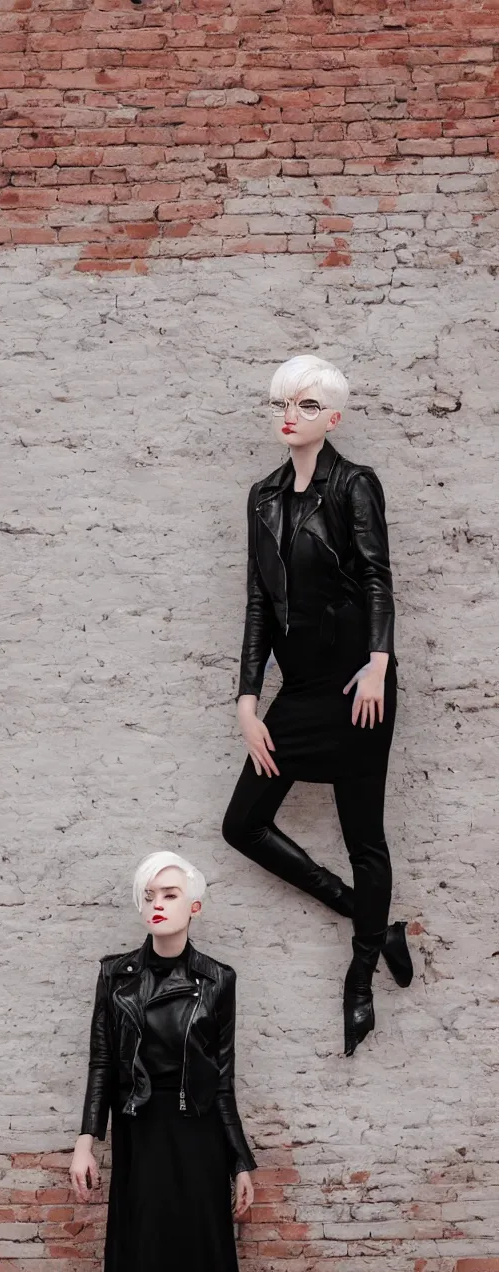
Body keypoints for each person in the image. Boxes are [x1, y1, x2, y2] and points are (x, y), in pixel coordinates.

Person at [222, 354, 413, 1058]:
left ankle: (360, 976)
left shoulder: (354, 485)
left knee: (366, 837)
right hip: (299, 693)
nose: (288, 414)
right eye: (282, 402)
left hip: (358, 685)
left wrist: (378, 664)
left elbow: (376, 578)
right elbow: (255, 604)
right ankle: (370, 919)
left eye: (305, 405)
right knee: (242, 824)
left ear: (332, 418)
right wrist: (248, 702)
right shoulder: (263, 497)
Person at [70, 851, 256, 1272]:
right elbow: (102, 1062)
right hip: (140, 1126)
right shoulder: (116, 975)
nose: (157, 903)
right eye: (149, 894)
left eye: (170, 895)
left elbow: (223, 1080)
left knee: (200, 1249)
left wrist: (239, 1160)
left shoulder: (217, 979)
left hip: (198, 1130)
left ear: (194, 907)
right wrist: (86, 1143)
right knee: (143, 1247)